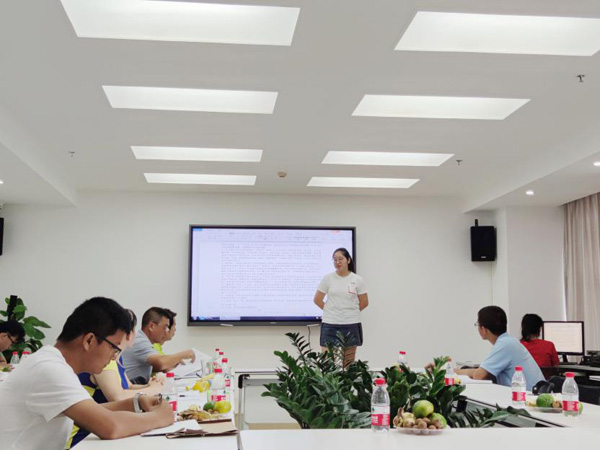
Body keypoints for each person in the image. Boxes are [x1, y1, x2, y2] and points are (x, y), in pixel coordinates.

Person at [0, 297, 174, 450]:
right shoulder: (49, 369)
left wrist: (137, 402)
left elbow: (91, 411)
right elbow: (110, 427)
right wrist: (160, 417)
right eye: (114, 348)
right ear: (89, 340)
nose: (114, 357)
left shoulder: (54, 363)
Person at [66, 309, 164, 448]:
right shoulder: (103, 360)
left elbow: (128, 386)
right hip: (83, 437)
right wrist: (153, 390)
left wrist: (150, 386)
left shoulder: (116, 358)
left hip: (98, 429)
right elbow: (117, 397)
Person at [456, 306, 545, 390]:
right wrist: (454, 372)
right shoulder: (508, 341)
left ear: (484, 329)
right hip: (529, 394)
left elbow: (478, 375)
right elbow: (482, 371)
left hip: (528, 397)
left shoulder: (504, 344)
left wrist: (456, 372)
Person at [313, 248, 369, 365]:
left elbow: (364, 302)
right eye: (335, 260)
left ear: (348, 260)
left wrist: (350, 312)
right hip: (330, 323)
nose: (337, 262)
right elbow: (317, 300)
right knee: (327, 363)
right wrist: (331, 311)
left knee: (348, 363)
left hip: (351, 324)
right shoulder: (328, 278)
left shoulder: (357, 279)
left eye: (340, 259)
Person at [122, 307, 195, 384]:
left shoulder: (144, 341)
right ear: (151, 326)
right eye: (165, 327)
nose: (166, 332)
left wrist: (172, 363)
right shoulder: (140, 341)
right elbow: (160, 363)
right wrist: (184, 355)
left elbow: (155, 366)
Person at [520, 313, 560, 379]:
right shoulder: (549, 345)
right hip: (545, 383)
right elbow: (556, 367)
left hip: (524, 382)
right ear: (540, 328)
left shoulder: (518, 346)